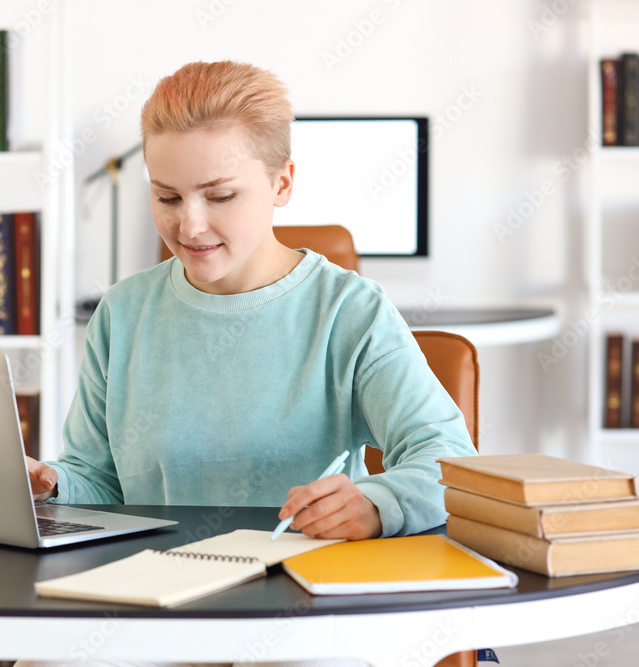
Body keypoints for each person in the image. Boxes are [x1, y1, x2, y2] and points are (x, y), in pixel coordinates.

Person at [27, 60, 476, 546]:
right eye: (168, 197)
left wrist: (376, 503)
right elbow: (100, 482)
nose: (190, 226)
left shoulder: (350, 311)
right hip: (150, 589)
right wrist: (51, 484)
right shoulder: (122, 313)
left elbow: (449, 461)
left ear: (282, 183)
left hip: (300, 588)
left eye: (219, 196)